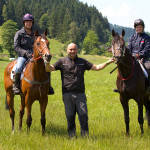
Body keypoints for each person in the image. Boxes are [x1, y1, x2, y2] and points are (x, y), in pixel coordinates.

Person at [45, 43, 114, 138]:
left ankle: (85, 136)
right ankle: (72, 136)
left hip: (80, 94)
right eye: (70, 49)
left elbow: (97, 68)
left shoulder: (82, 62)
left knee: (83, 115)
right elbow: (49, 69)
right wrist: (47, 62)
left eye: (74, 49)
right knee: (70, 116)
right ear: (67, 50)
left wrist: (108, 62)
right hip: (67, 94)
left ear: (77, 50)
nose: (72, 51)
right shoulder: (61, 61)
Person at [13, 13, 54, 95]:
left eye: (30, 22)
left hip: (35, 56)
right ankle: (16, 86)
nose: (29, 23)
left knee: (46, 67)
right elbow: (16, 47)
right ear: (24, 23)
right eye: (27, 22)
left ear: (32, 23)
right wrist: (25, 53)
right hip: (23, 56)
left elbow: (38, 45)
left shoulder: (35, 34)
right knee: (18, 67)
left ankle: (48, 86)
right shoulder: (19, 33)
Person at [128, 19, 150, 88]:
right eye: (137, 27)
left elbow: (147, 49)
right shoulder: (132, 37)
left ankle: (148, 87)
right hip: (132, 59)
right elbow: (129, 48)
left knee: (148, 67)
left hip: (144, 59)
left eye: (140, 27)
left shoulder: (147, 37)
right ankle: (122, 88)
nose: (138, 28)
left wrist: (139, 55)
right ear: (135, 28)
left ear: (143, 28)